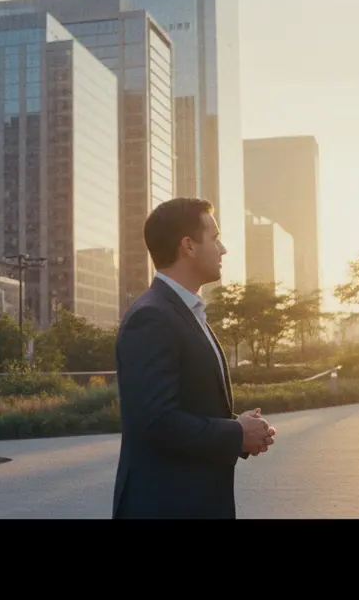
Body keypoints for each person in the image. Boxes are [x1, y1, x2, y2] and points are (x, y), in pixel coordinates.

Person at [111, 197, 276, 519]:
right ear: (188, 245)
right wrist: (236, 433)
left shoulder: (181, 311)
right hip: (166, 505)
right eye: (214, 239)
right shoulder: (152, 317)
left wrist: (240, 432)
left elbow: (188, 406)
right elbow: (157, 421)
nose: (223, 249)